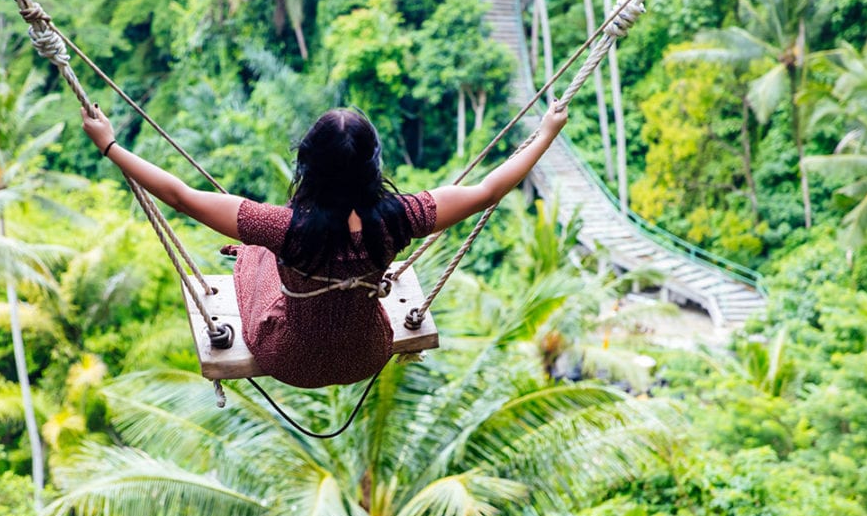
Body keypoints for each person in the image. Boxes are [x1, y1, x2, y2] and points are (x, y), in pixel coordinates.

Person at [82, 103, 568, 388]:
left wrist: (109, 145)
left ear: (308, 165)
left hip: (286, 358)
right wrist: (545, 134)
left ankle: (251, 258)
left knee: (255, 253)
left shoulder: (282, 227)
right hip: (367, 354)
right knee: (266, 250)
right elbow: (488, 190)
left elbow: (180, 196)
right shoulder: (399, 219)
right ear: (373, 167)